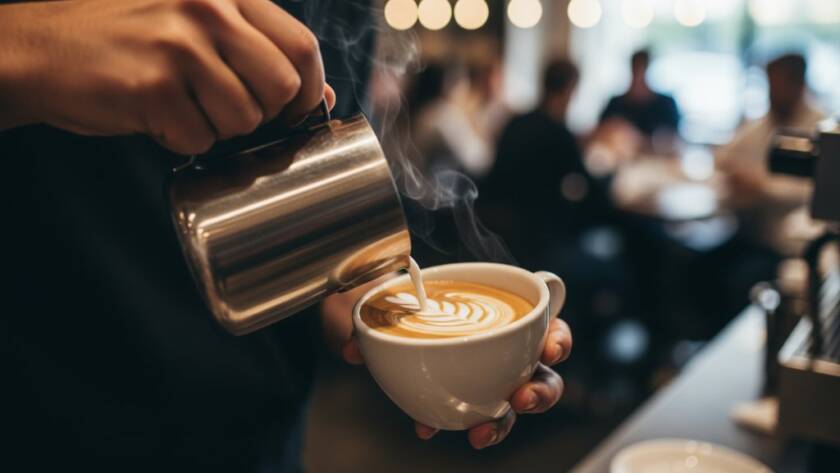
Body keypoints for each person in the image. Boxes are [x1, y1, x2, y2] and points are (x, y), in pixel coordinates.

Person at [0, 0, 572, 470]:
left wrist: (434, 353)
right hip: (47, 420)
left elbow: (327, 248)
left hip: (262, 436)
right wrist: (30, 45)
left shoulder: (347, 13)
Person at [482, 58, 606, 265]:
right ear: (570, 89)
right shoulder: (558, 133)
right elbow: (591, 189)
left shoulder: (515, 122)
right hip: (539, 236)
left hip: (501, 228)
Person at [599, 49, 680, 147]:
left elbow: (674, 139)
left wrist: (638, 139)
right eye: (635, 69)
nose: (638, 75)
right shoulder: (616, 104)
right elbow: (600, 133)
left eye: (642, 69)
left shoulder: (666, 104)